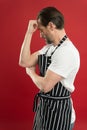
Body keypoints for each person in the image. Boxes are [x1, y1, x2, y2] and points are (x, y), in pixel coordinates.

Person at [19, 7, 80, 130]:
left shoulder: (66, 51)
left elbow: (45, 86)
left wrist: (31, 73)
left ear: (51, 26)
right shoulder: (49, 48)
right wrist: (29, 32)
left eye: (41, 30)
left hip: (60, 114)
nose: (40, 35)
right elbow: (24, 61)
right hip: (45, 110)